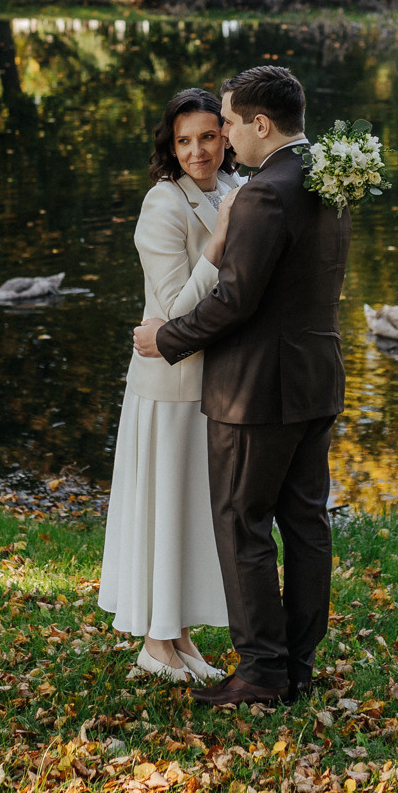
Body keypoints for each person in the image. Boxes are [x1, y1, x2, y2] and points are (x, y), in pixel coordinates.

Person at [132, 65, 349, 709]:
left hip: (256, 391)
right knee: (306, 524)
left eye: (227, 121)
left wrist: (164, 340)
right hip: (315, 380)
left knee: (242, 522)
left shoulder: (261, 194)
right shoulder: (327, 177)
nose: (221, 134)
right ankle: (298, 665)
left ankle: (261, 672)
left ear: (260, 124)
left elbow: (235, 301)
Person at [98, 89, 238, 684]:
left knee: (191, 514)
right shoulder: (163, 204)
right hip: (170, 386)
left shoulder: (232, 191)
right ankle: (154, 644)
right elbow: (177, 310)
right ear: (170, 146)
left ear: (226, 137)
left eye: (207, 136)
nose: (196, 151)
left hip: (215, 384)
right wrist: (217, 245)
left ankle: (180, 638)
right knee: (166, 509)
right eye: (184, 141)